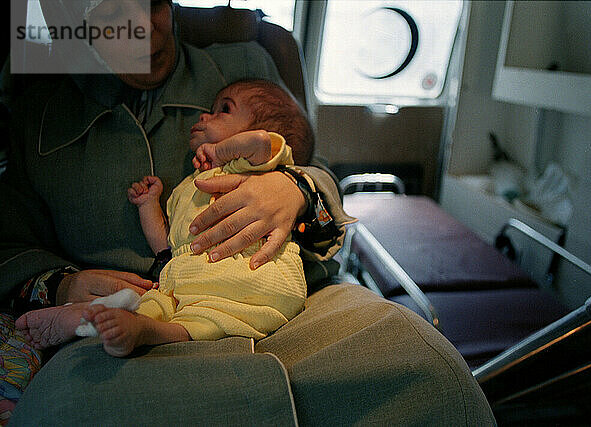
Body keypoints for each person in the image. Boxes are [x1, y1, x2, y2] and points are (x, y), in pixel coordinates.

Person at [1, 1, 495, 424]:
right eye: (111, 13)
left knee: (428, 375)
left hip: (291, 310)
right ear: (70, 19)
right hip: (127, 329)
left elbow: (317, 170)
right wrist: (59, 284)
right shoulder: (39, 111)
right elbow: (8, 244)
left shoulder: (245, 61)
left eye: (154, 1)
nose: (148, 28)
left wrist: (295, 188)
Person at [17, 79, 310, 357]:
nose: (206, 115)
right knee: (161, 305)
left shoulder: (254, 168)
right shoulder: (187, 186)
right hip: (188, 273)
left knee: (208, 317)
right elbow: (167, 246)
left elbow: (260, 142)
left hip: (249, 270)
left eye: (225, 109)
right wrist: (148, 205)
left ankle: (138, 328)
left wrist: (222, 151)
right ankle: (92, 318)